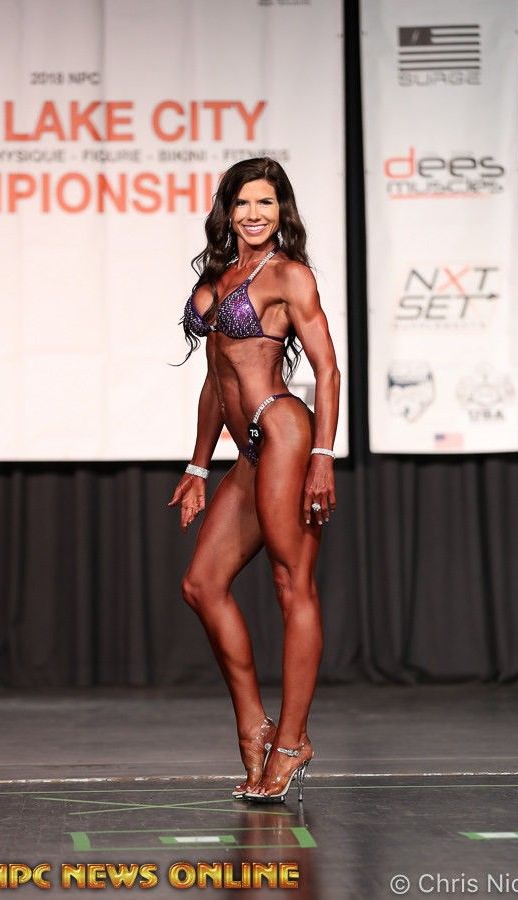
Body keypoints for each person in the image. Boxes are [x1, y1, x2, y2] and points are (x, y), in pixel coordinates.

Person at [168, 157, 340, 803]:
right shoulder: (219, 276)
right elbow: (216, 380)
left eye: (266, 203)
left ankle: (291, 742)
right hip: (247, 450)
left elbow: (327, 370)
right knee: (201, 584)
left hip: (287, 432)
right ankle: (253, 724)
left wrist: (322, 455)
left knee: (292, 583)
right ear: (228, 210)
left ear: (281, 210)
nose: (254, 214)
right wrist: (197, 466)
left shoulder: (290, 275)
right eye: (243, 203)